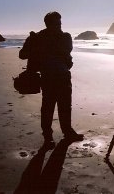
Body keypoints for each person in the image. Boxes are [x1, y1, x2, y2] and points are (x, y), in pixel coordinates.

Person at [19, 11, 84, 147]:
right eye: (56, 23)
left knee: (65, 107)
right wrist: (31, 42)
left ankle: (67, 132)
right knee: (48, 108)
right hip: (48, 77)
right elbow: (22, 55)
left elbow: (66, 50)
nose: (59, 26)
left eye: (60, 23)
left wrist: (37, 42)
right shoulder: (37, 38)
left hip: (64, 77)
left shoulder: (64, 37)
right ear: (48, 24)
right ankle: (48, 136)